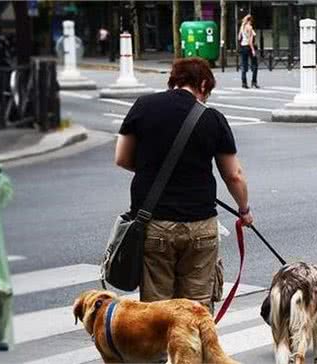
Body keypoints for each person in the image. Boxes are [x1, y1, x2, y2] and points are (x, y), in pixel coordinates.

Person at [115, 58, 254, 313]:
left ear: (174, 80)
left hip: (153, 223)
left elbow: (122, 158)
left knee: (157, 312)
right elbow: (233, 175)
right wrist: (244, 210)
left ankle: (161, 353)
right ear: (203, 84)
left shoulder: (143, 106)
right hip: (200, 226)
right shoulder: (213, 118)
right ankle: (194, 352)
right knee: (196, 311)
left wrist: (153, 171)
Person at [238, 14, 259, 89]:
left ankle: (244, 83)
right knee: (255, 65)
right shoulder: (249, 28)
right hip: (249, 47)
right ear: (250, 20)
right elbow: (250, 41)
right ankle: (254, 81)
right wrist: (253, 50)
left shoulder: (242, 27)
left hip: (243, 47)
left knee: (244, 65)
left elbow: (239, 37)